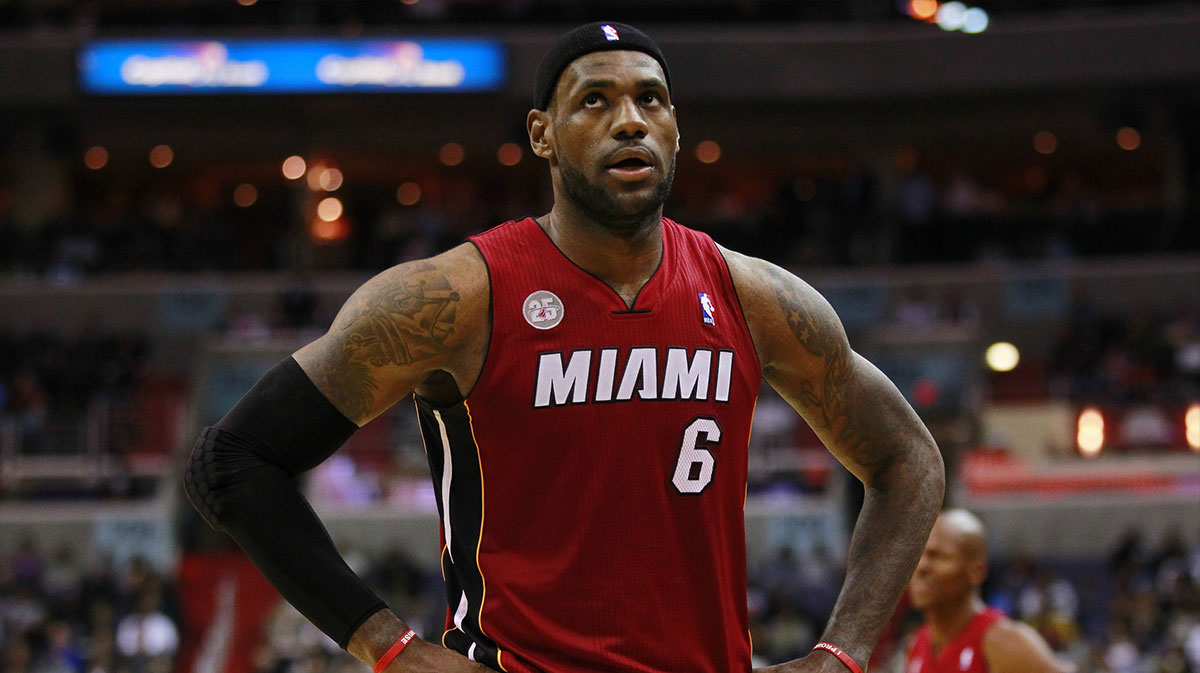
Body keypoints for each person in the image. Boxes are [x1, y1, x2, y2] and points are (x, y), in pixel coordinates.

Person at [184, 22, 944, 673]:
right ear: (541, 135)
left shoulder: (756, 299)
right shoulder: (454, 298)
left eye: (650, 99)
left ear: (676, 126)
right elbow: (232, 460)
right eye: (596, 100)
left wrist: (842, 652)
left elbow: (908, 458)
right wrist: (387, 646)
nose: (630, 121)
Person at [905, 509, 1076, 673]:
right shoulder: (916, 644)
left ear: (976, 571)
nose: (921, 567)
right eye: (918, 555)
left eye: (938, 556)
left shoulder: (1005, 643)